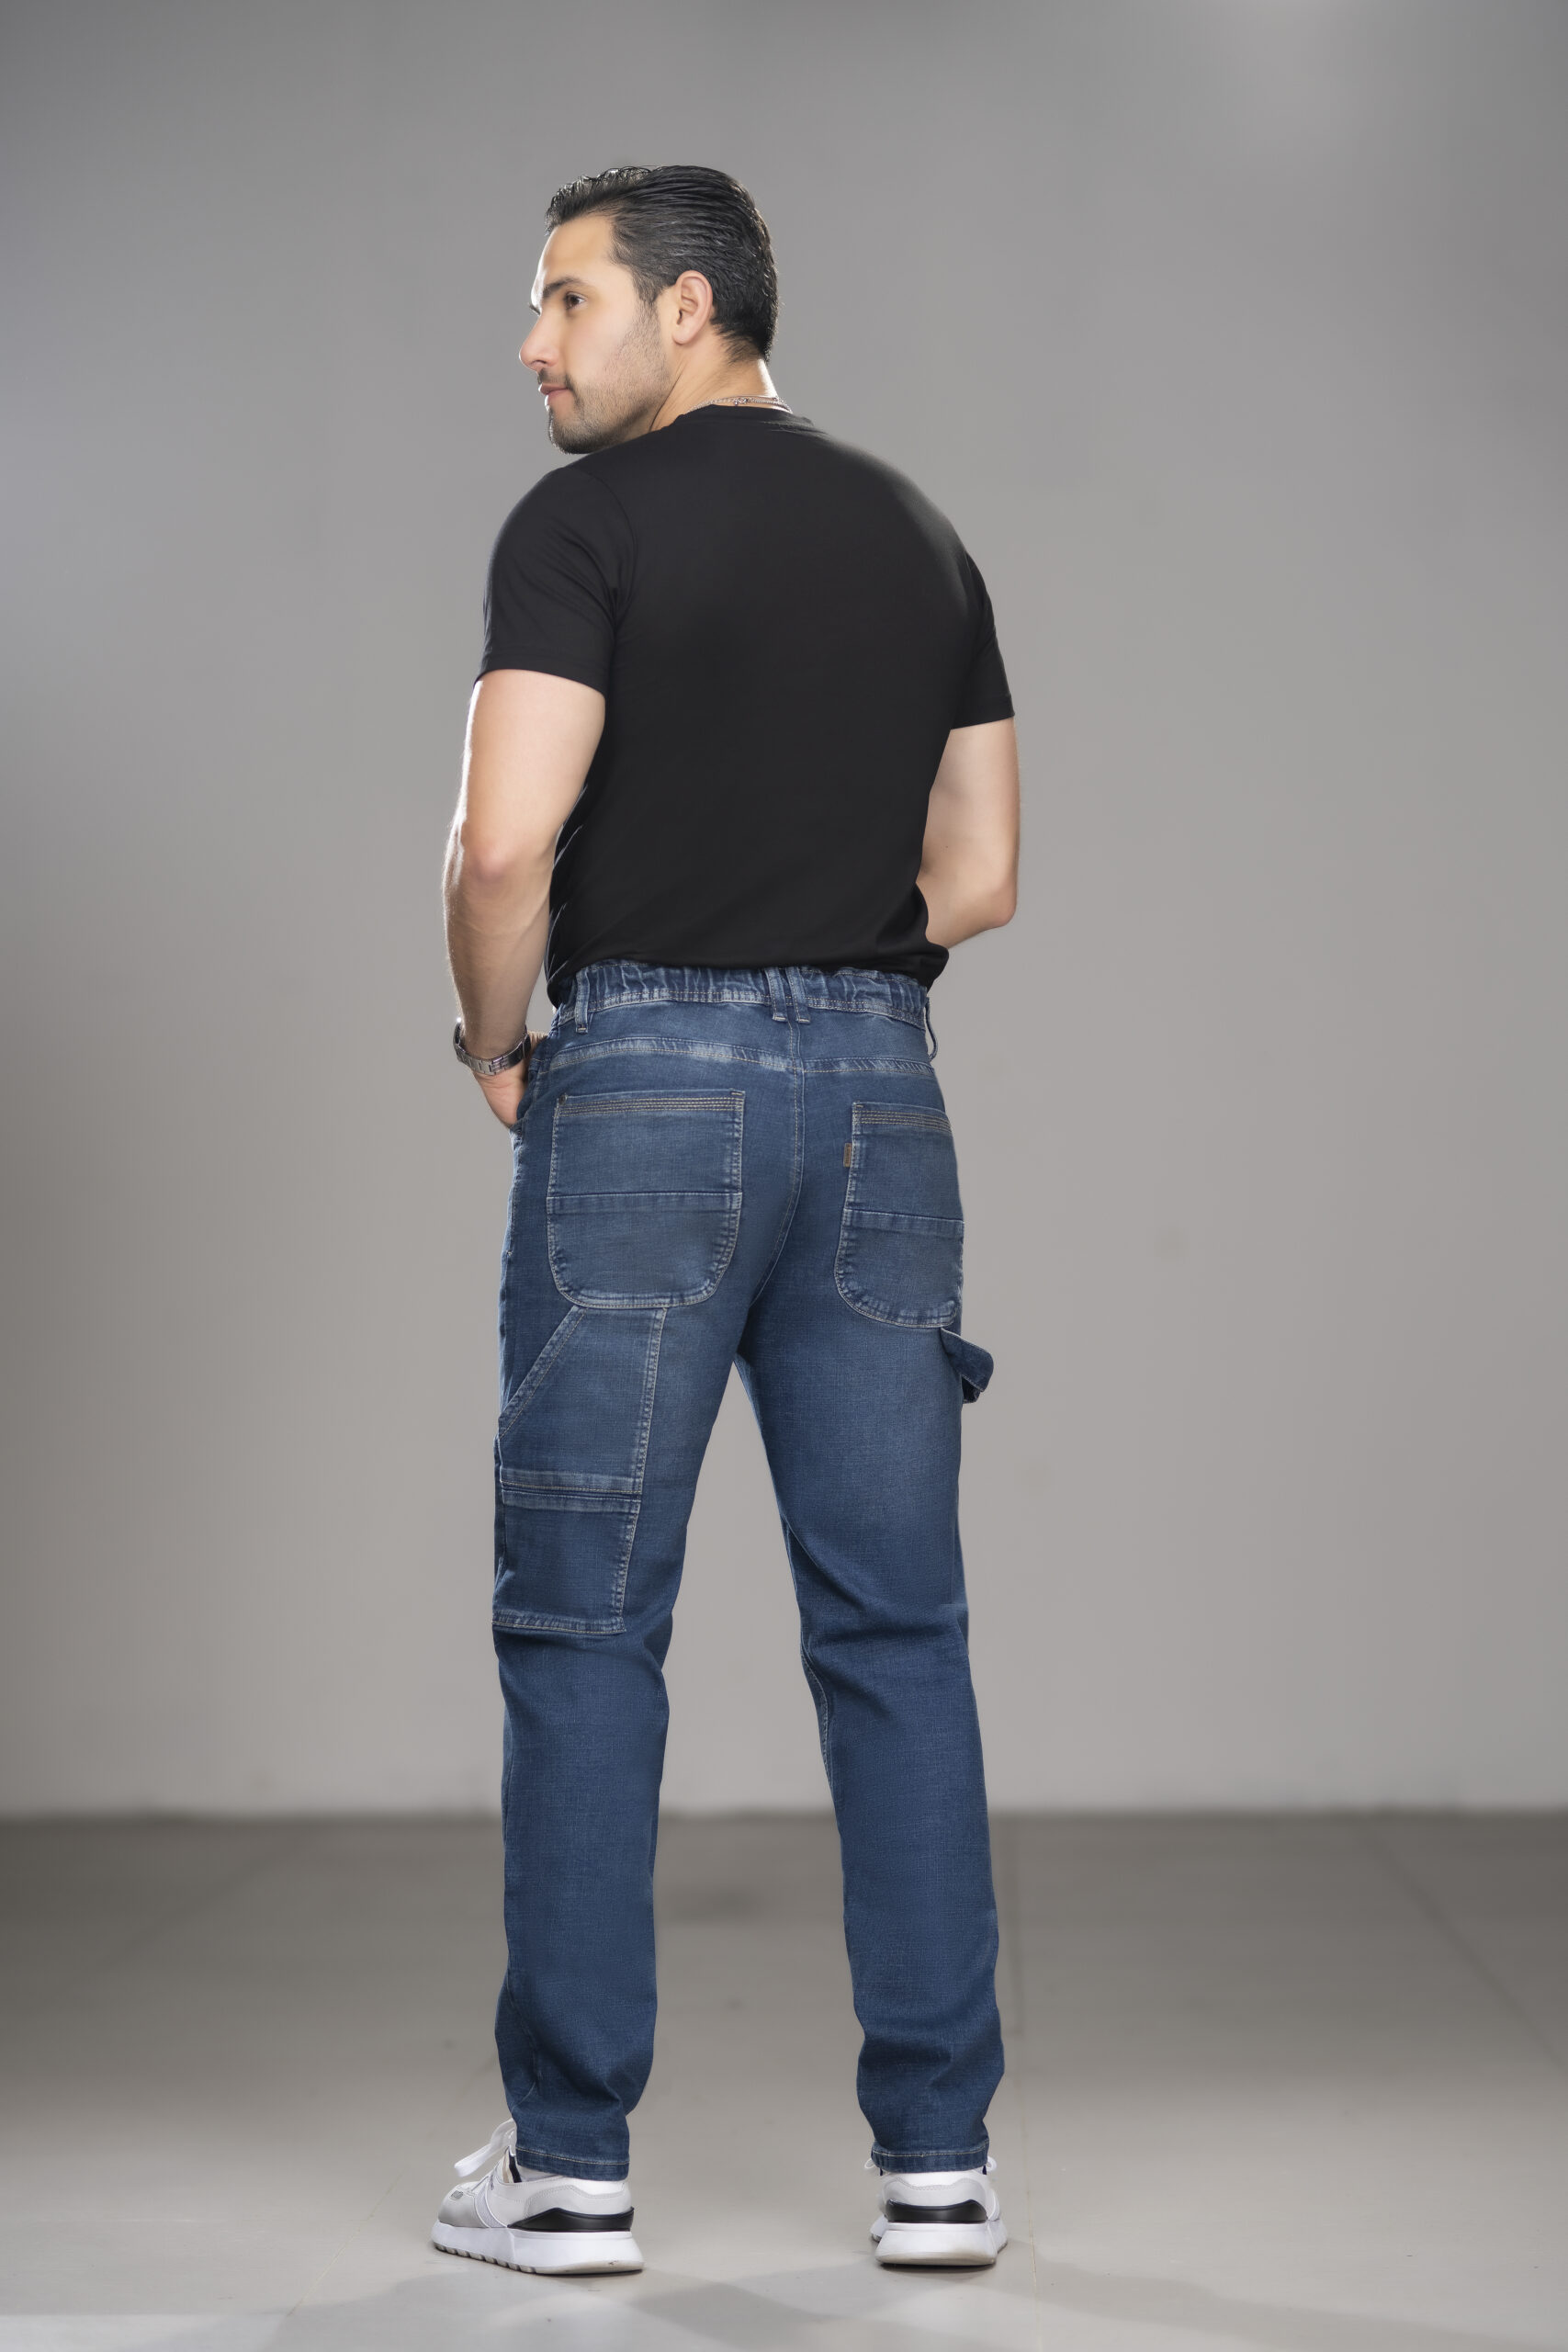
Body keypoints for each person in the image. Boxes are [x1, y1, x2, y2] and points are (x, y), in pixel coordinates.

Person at [434, 164, 1021, 2278]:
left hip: (642, 1092)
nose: (532, 342)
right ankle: (938, 2163)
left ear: (686, 310)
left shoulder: (579, 526)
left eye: (563, 299)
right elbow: (981, 870)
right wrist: (820, 943)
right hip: (878, 1098)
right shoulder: (915, 530)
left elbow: (502, 847)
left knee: (587, 1622)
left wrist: (493, 1035)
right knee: (895, 1631)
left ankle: (569, 2165)